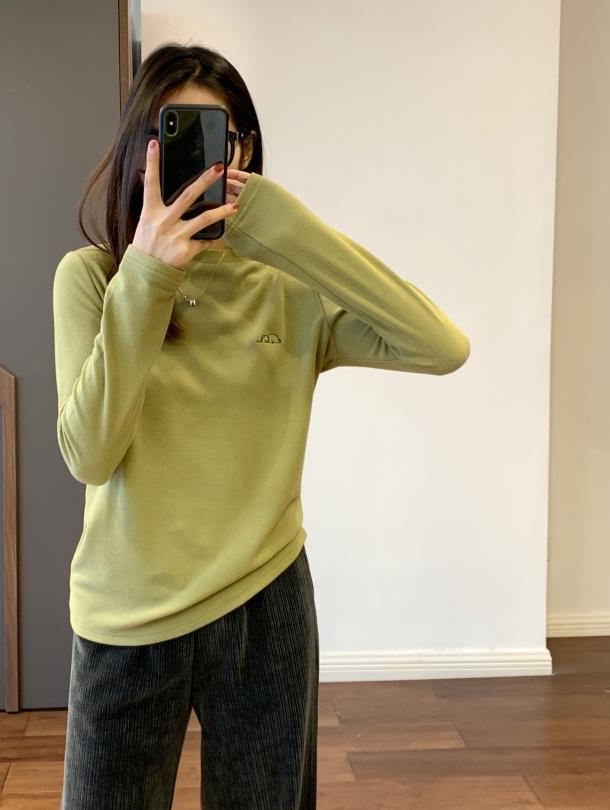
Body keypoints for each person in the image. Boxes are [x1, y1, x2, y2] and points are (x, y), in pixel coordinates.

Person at [53, 42, 470, 810]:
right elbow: (90, 454)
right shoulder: (94, 278)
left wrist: (283, 226)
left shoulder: (287, 288)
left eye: (216, 136)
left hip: (263, 605)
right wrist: (148, 272)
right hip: (126, 617)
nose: (192, 159)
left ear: (242, 152)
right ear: (139, 152)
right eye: (170, 134)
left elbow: (441, 345)